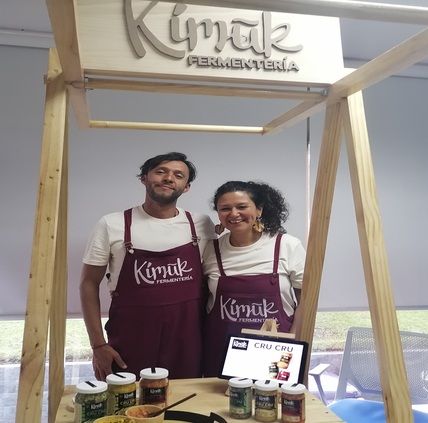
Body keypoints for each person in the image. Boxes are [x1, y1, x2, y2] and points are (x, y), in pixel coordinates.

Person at [80, 152, 214, 380]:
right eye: (161, 171)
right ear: (144, 178)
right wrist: (98, 345)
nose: (168, 178)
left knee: (187, 399)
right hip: (130, 338)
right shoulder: (112, 224)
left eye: (178, 175)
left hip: (187, 340)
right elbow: (88, 284)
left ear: (186, 187)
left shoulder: (201, 224)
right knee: (126, 400)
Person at [202, 181, 305, 377]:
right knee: (220, 396)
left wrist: (293, 339)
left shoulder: (286, 245)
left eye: (242, 206)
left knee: (272, 396)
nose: (234, 214)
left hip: (275, 351)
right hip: (221, 351)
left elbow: (306, 299)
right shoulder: (211, 250)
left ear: (259, 210)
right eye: (225, 209)